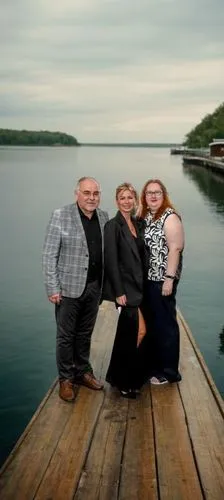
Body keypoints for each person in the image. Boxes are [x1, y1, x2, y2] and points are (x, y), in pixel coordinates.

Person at [42, 177, 109, 402]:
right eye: (87, 193)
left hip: (94, 287)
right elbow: (49, 254)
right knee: (65, 337)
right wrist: (53, 287)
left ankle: (82, 372)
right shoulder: (61, 215)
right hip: (68, 289)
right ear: (77, 194)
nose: (91, 198)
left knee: (84, 334)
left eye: (95, 193)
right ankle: (66, 379)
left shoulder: (103, 217)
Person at [102, 182, 148, 398]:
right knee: (133, 334)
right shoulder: (112, 226)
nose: (127, 201)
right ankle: (122, 381)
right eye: (123, 197)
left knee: (135, 334)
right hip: (126, 291)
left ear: (135, 200)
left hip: (141, 289)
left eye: (130, 197)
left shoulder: (138, 224)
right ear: (116, 201)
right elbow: (111, 262)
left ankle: (127, 377)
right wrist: (118, 292)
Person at [139, 178, 184, 385]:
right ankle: (154, 366)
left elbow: (175, 248)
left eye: (157, 192)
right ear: (145, 197)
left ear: (164, 195)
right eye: (149, 193)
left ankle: (169, 372)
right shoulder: (147, 216)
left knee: (166, 325)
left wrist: (169, 279)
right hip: (148, 280)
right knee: (153, 325)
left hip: (162, 281)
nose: (154, 196)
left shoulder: (170, 217)